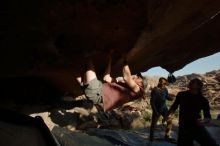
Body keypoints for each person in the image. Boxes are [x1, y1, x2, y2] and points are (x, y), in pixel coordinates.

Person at [76, 52, 147, 112]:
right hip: (96, 90)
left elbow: (127, 77)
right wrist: (110, 59)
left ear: (141, 84)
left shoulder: (139, 91)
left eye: (138, 77)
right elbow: (106, 78)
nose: (135, 76)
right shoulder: (122, 86)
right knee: (77, 69)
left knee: (88, 60)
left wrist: (125, 60)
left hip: (97, 93)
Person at [164, 78, 218, 146]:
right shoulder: (181, 95)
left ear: (198, 86)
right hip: (183, 127)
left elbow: (208, 117)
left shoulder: (203, 100)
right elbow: (174, 106)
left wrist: (204, 121)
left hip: (196, 127)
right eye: (190, 81)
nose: (190, 82)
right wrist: (167, 115)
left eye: (192, 82)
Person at [149, 77, 175, 141]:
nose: (163, 84)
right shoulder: (155, 90)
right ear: (159, 82)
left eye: (164, 83)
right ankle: (151, 138)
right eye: (162, 82)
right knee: (153, 125)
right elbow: (152, 102)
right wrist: (155, 111)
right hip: (156, 110)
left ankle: (167, 136)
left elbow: (166, 96)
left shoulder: (165, 89)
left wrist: (171, 98)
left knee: (169, 122)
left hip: (164, 109)